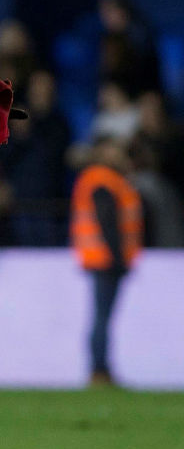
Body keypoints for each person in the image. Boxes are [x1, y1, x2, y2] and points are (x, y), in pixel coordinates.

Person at [71, 137, 143, 388]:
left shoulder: (105, 179)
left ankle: (100, 369)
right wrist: (119, 257)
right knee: (102, 317)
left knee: (102, 316)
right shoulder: (102, 179)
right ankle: (99, 370)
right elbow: (107, 221)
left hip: (101, 258)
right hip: (105, 259)